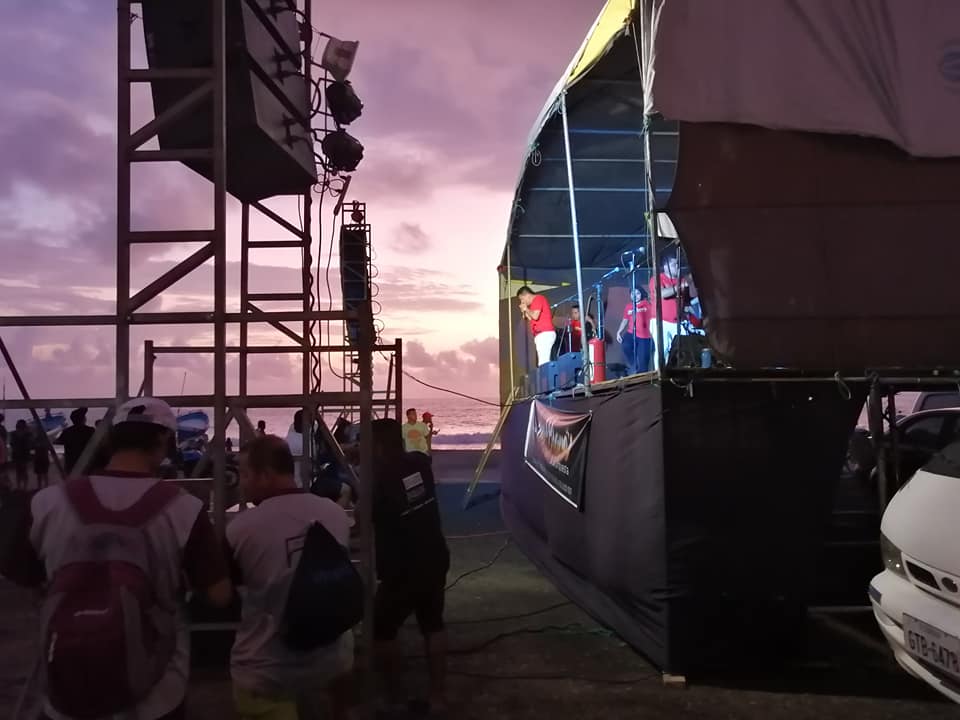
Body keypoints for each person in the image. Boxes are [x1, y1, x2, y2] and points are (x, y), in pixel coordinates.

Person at [0, 397, 233, 720]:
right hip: (155, 696)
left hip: (67, 684)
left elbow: (24, 576)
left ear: (110, 439)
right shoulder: (185, 510)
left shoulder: (46, 503)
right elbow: (220, 594)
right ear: (164, 439)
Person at [227, 435, 354, 720]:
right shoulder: (333, 512)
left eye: (245, 474)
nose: (241, 483)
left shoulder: (241, 528)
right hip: (331, 658)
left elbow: (222, 592)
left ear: (265, 475)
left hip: (267, 669)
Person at [372, 418, 450, 716]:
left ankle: (395, 699)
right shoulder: (419, 462)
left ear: (377, 446)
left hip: (402, 566)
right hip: (434, 555)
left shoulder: (381, 478)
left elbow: (366, 518)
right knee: (433, 624)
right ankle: (437, 697)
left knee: (381, 629)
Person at [649, 253, 696, 370]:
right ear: (666, 266)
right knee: (663, 349)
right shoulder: (657, 278)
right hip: (661, 321)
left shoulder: (681, 280)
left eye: (678, 264)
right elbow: (662, 294)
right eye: (674, 264)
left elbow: (686, 302)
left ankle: (680, 372)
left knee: (683, 348)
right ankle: (660, 373)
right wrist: (679, 286)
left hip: (678, 322)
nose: (678, 267)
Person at [616, 288, 653, 375]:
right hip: (631, 333)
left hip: (644, 336)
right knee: (625, 345)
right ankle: (634, 364)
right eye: (633, 294)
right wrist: (619, 331)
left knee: (643, 364)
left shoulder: (647, 304)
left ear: (641, 294)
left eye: (638, 293)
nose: (635, 296)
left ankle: (643, 375)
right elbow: (625, 319)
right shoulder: (628, 306)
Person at [516, 285, 555, 367]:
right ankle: (545, 374)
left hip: (544, 333)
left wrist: (526, 309)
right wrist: (525, 312)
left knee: (543, 362)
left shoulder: (538, 298)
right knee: (543, 361)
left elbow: (535, 316)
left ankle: (545, 375)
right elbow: (532, 319)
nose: (522, 302)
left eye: (522, 299)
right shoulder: (534, 304)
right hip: (540, 334)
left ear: (527, 295)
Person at [57, 407, 97, 477]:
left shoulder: (67, 431)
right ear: (83, 419)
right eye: (84, 417)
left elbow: (57, 442)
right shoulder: (90, 430)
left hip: (71, 464)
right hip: (87, 464)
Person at [10, 419, 31, 491]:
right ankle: (22, 487)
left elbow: (12, 444)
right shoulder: (26, 434)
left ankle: (22, 487)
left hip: (21, 455)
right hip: (20, 455)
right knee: (21, 471)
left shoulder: (15, 434)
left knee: (21, 471)